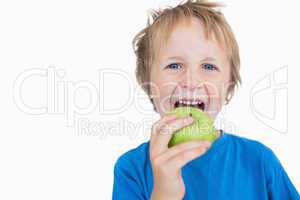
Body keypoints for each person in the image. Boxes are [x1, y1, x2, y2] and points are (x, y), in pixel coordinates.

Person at [112, 0, 300, 199]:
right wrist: (164, 192)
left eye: (209, 67)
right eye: (174, 65)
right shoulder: (131, 169)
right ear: (147, 82)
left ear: (229, 87)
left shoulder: (259, 161)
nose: (191, 81)